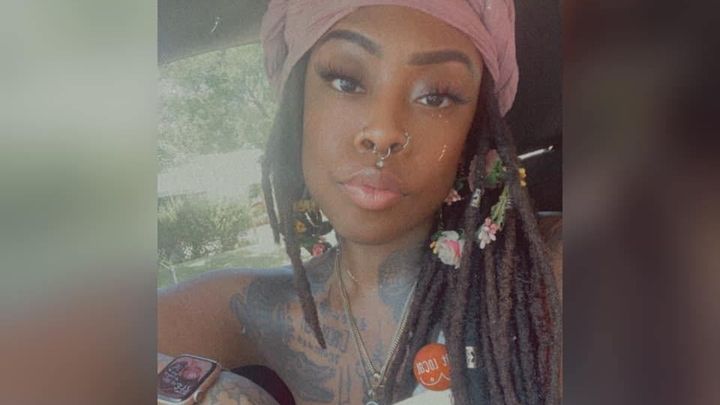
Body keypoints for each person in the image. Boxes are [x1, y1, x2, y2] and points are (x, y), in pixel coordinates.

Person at [158, 1, 561, 404]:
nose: (383, 132)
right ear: (298, 105)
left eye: (437, 97)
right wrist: (203, 388)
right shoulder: (252, 306)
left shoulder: (550, 270)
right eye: (346, 81)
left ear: (473, 129)